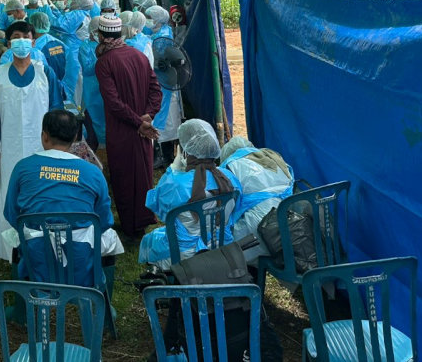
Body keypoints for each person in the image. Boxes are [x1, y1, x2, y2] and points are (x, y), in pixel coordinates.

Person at [4, 110, 122, 285]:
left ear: (44, 136)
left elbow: (11, 213)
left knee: (16, 233)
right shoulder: (93, 172)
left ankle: (24, 305)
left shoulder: (23, 167)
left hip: (36, 256)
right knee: (110, 238)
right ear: (75, 137)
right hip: (82, 258)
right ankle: (102, 303)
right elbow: (103, 221)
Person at [0, 20, 65, 260]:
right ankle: (12, 251)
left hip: (43, 148)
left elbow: (56, 111)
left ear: (34, 42)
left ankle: (46, 248)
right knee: (11, 194)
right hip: (11, 150)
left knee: (44, 194)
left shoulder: (44, 72)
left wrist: (59, 148)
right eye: (17, 37)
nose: (22, 41)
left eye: (27, 37)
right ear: (8, 43)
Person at [139, 120, 243, 267]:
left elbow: (158, 209)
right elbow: (235, 211)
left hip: (183, 254)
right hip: (221, 246)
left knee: (149, 240)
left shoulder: (175, 183)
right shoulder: (229, 178)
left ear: (185, 151)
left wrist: (173, 169)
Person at [94, 14, 162, 239]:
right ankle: (142, 219)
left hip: (123, 129)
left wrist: (137, 122)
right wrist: (147, 117)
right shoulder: (138, 55)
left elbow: (113, 103)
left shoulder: (104, 62)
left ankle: (131, 226)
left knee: (123, 176)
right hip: (141, 128)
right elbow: (156, 91)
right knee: (142, 172)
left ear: (102, 36)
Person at [220, 136, 294, 251]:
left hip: (258, 233)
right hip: (291, 226)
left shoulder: (230, 167)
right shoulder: (273, 156)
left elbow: (226, 208)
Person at [146, 5, 181, 159]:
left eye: (150, 18)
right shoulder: (157, 32)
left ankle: (165, 155)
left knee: (167, 121)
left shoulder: (163, 37)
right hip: (161, 83)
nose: (148, 21)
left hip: (165, 82)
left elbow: (159, 57)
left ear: (158, 21)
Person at [50, 0, 93, 102]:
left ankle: (72, 110)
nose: (70, 2)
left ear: (78, 2)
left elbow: (60, 25)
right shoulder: (83, 14)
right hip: (76, 52)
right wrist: (57, 12)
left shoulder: (77, 14)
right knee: (77, 83)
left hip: (72, 55)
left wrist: (48, 13)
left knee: (72, 84)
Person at [78, 16, 106, 145]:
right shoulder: (85, 47)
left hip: (105, 91)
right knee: (92, 124)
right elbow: (88, 69)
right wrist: (101, 59)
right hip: (92, 92)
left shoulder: (106, 45)